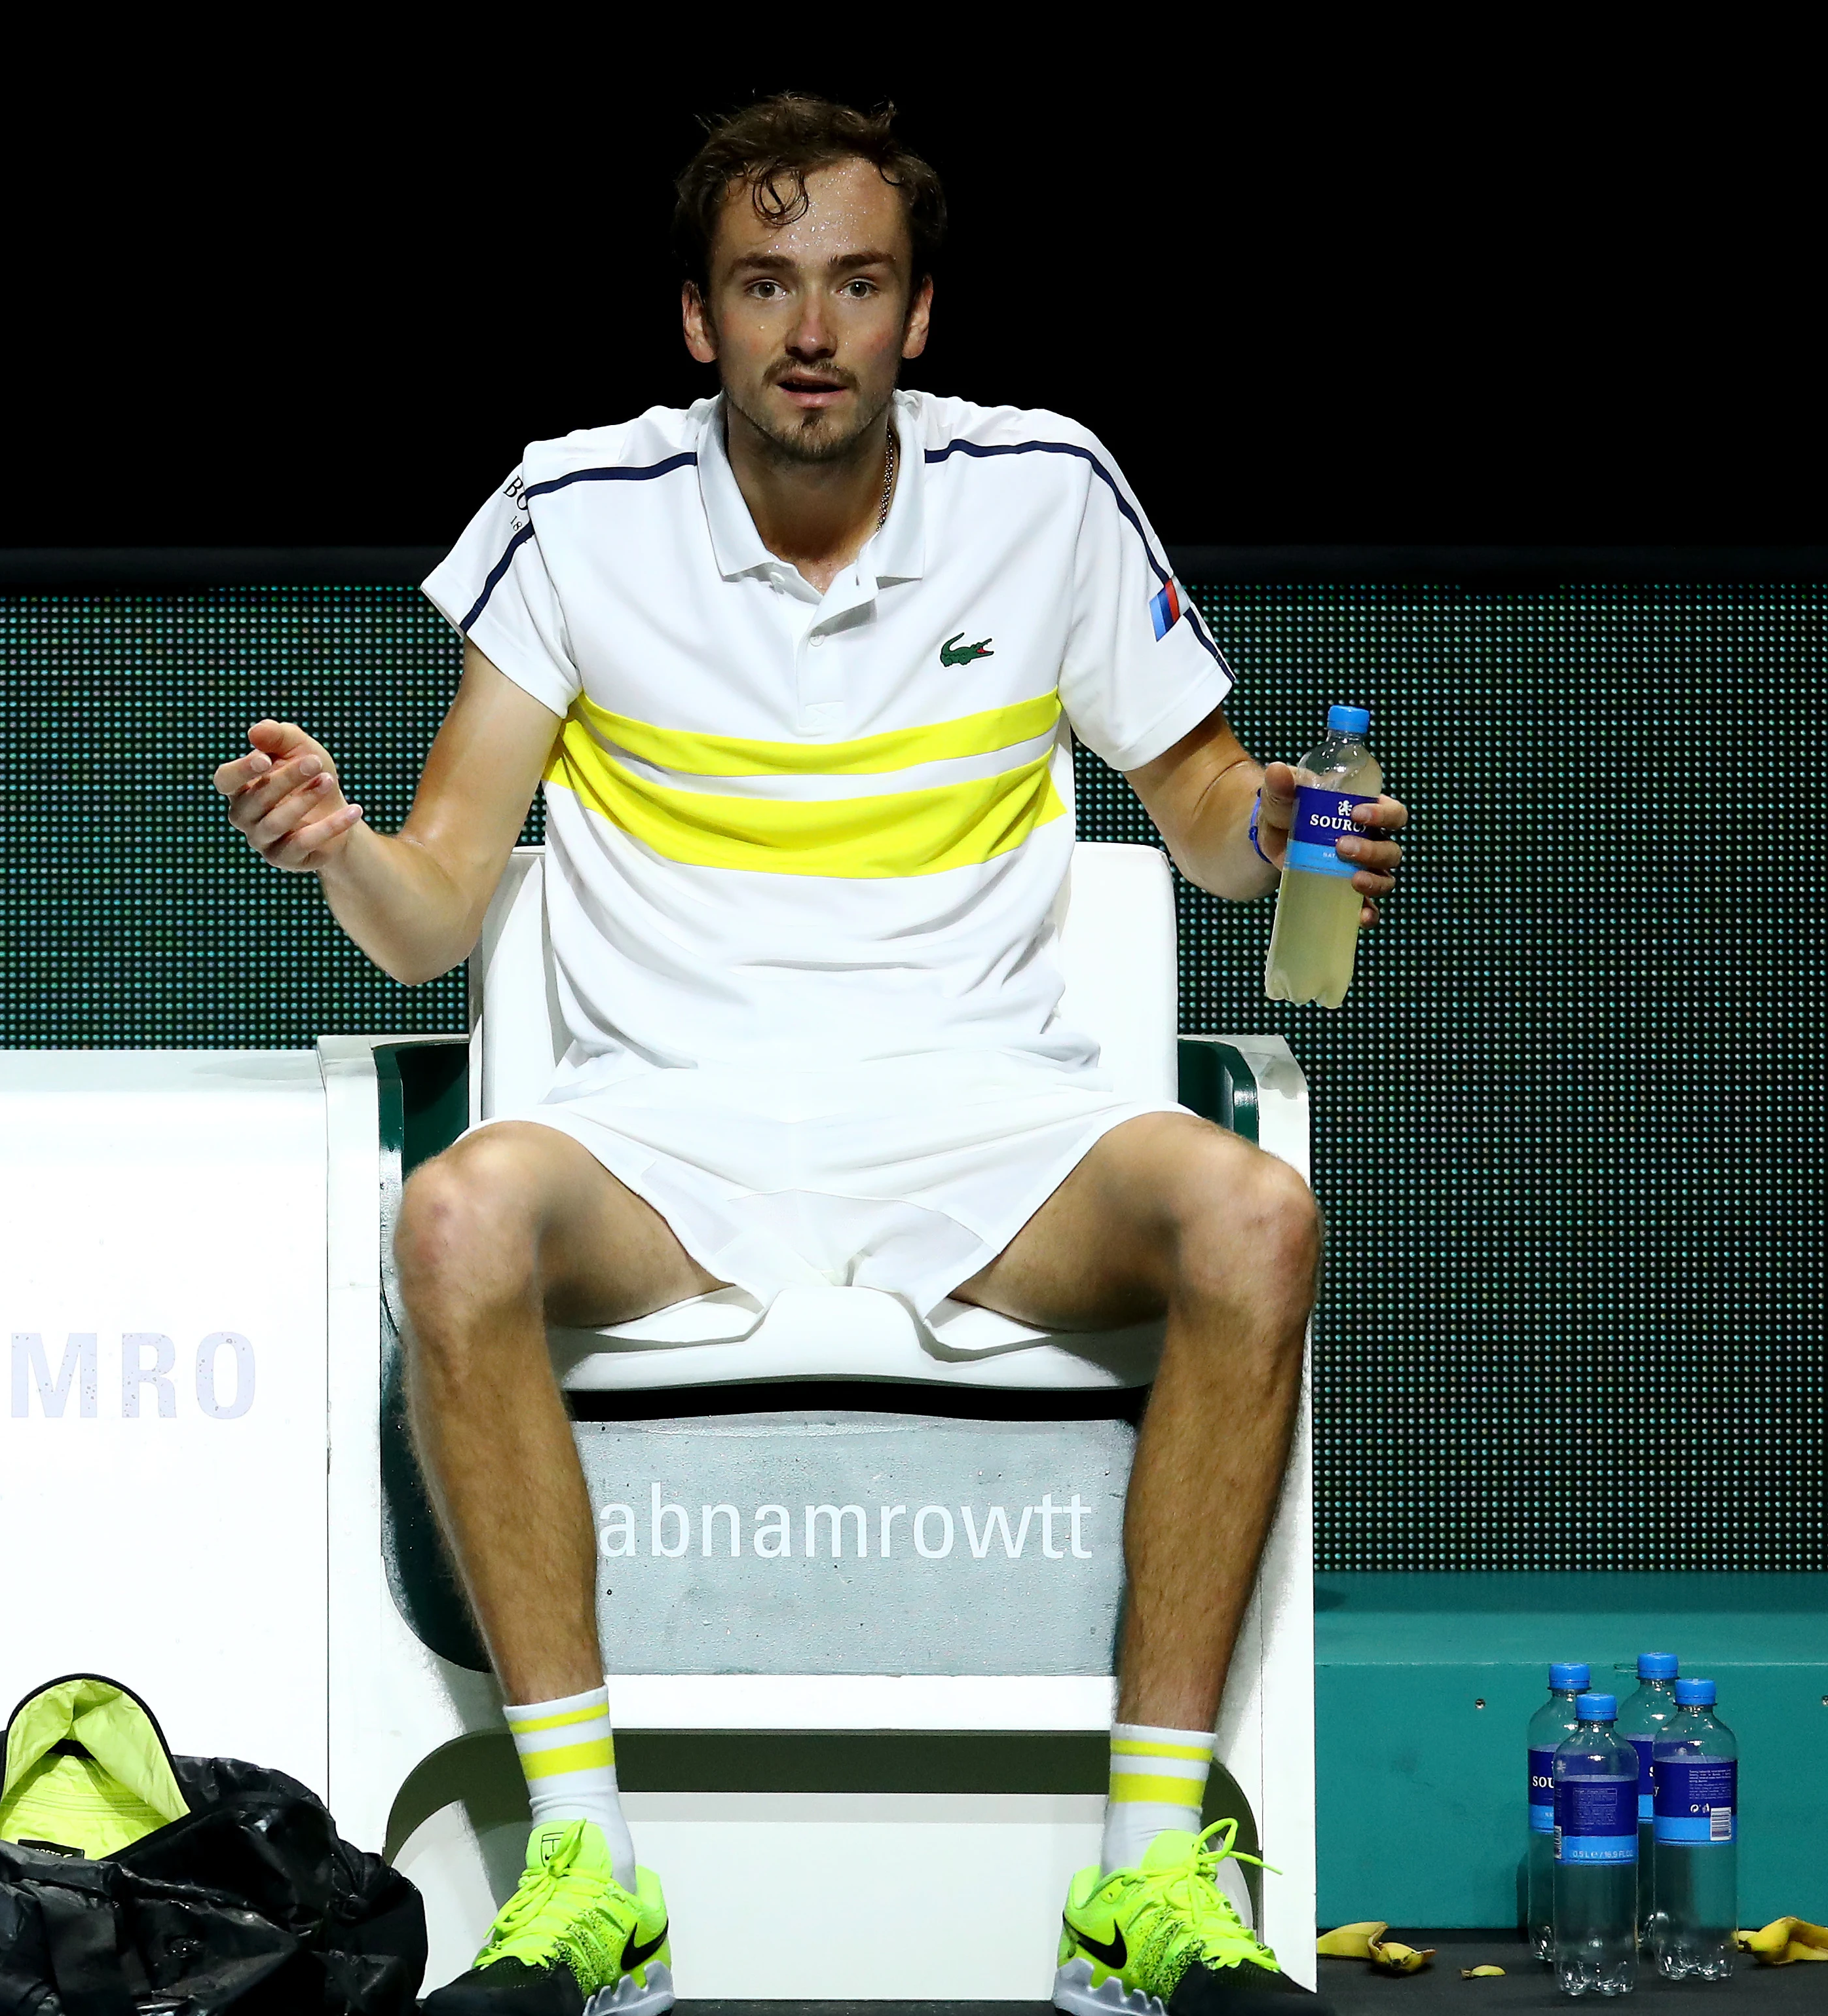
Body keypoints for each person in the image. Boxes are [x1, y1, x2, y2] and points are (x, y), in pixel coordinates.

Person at [213, 94, 1406, 2016]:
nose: (813, 329)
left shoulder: (1049, 491)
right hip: (659, 1128)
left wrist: (1287, 819)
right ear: (698, 321)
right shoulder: (573, 510)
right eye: (766, 285)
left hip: (986, 1117)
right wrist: (342, 845)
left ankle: (1151, 1876)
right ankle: (588, 1871)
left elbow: (1199, 817)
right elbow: (440, 902)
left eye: (857, 282)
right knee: (450, 1220)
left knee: (1258, 1215)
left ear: (919, 313)